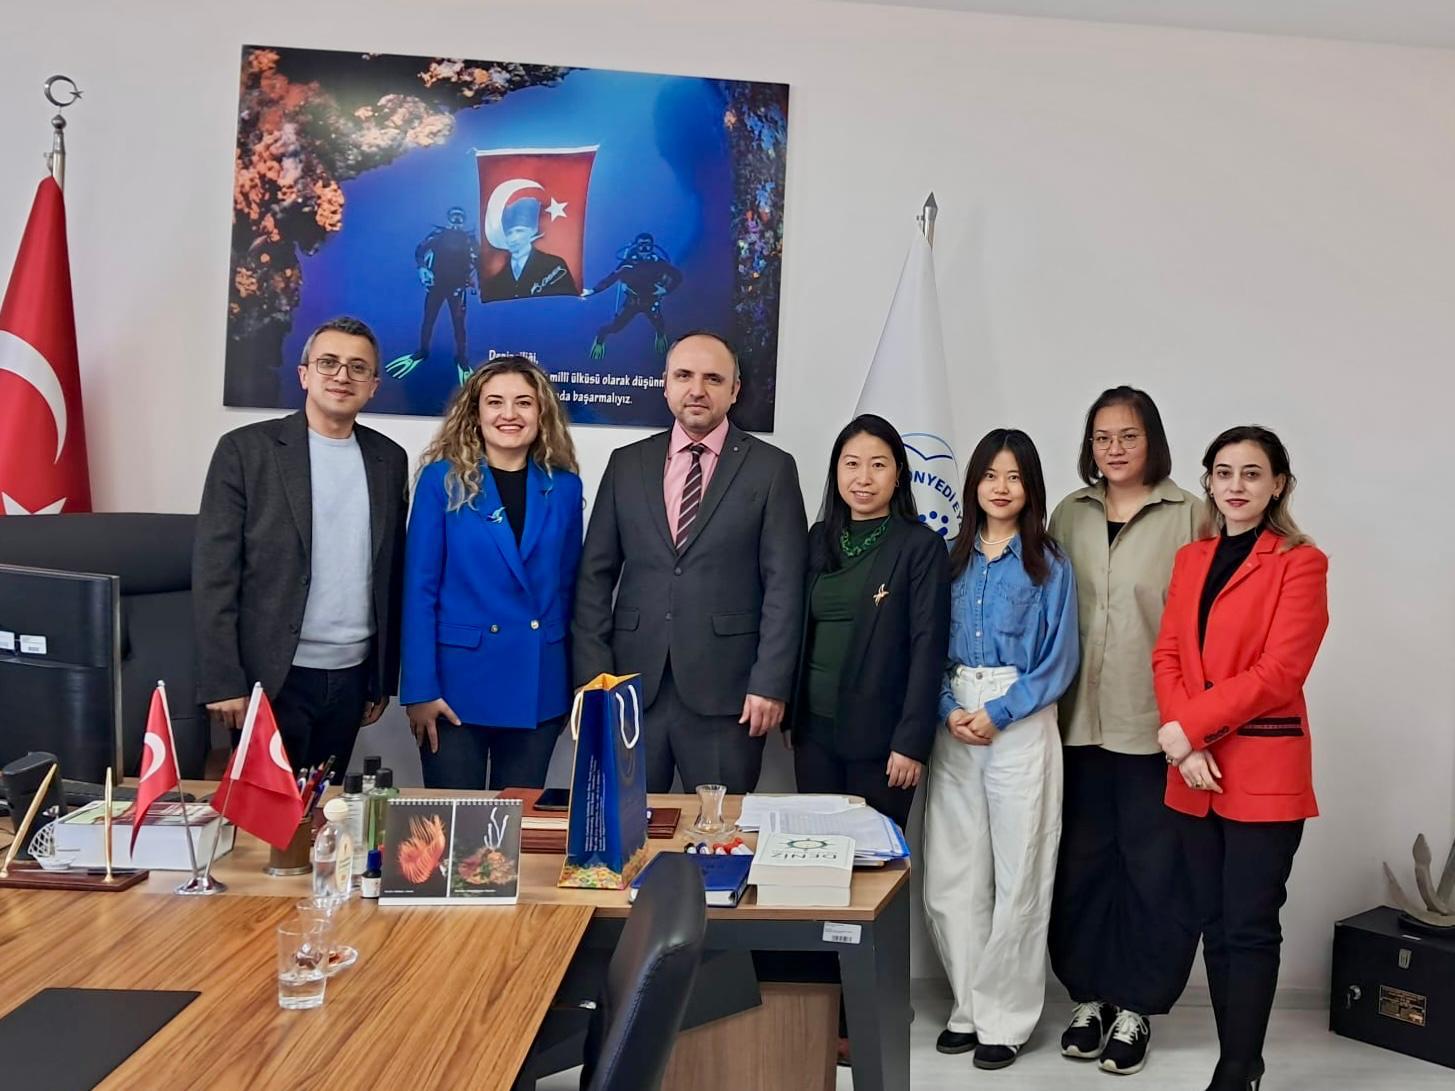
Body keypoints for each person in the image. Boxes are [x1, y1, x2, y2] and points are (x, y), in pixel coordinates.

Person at [1153, 426, 1328, 1091]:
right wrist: (1188, 741)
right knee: (1213, 924)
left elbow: (1280, 671)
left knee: (1249, 924)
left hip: (1261, 769)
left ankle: (1235, 1069)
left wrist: (1190, 728)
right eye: (1223, 472)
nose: (1235, 485)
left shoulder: (1300, 562)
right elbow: (1167, 655)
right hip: (1192, 768)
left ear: (1278, 484)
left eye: (1251, 473)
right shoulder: (1191, 558)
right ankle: (1241, 1058)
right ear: (1208, 481)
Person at [1045, 386, 1204, 1075]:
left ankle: (1137, 1005)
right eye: (1102, 437)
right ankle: (1089, 997)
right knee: (1080, 865)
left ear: (1152, 441)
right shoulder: (1067, 513)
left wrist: (1194, 722)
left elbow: (1206, 625)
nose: (1113, 449)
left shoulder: (1190, 515)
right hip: (1074, 722)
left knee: (1152, 869)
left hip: (1155, 727)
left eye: (1128, 436)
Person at [573, 331, 806, 794]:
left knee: (721, 831)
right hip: (629, 691)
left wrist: (770, 683)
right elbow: (594, 577)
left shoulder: (772, 469)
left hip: (730, 696)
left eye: (713, 379)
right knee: (629, 828)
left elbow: (785, 586)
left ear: (735, 390)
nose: (697, 389)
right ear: (665, 385)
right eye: (684, 376)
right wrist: (595, 677)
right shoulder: (627, 464)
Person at [923, 428, 1079, 1072]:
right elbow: (926, 645)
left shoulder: (1051, 563)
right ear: (974, 484)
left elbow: (1059, 658)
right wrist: (947, 707)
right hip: (955, 716)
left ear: (1030, 487)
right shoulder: (947, 559)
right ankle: (968, 1005)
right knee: (953, 873)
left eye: (1014, 476)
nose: (1001, 487)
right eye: (990, 475)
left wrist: (1001, 711)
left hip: (1021, 717)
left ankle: (1006, 1019)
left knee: (1021, 872)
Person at [193, 316, 408, 773]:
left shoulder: (389, 459)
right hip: (269, 677)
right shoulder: (245, 451)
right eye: (328, 362)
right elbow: (215, 573)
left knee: (328, 808)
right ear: (304, 374)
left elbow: (392, 574)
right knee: (263, 810)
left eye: (357, 367)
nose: (342, 376)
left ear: (373, 386)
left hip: (352, 676)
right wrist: (222, 679)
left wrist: (382, 678)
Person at [400, 357, 583, 790]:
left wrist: (568, 686)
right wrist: (420, 690)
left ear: (541, 413)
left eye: (524, 403)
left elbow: (569, 591)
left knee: (516, 824)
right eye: (495, 402)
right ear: (475, 412)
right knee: (450, 825)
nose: (509, 414)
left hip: (537, 686)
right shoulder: (441, 481)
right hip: (452, 690)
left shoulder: (564, 486)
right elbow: (419, 590)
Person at [789, 413, 949, 829]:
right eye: (851, 464)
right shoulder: (818, 538)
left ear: (899, 475)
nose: (863, 477)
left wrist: (911, 742)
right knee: (817, 849)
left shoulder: (920, 546)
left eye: (878, 464)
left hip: (883, 742)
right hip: (813, 734)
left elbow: (928, 648)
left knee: (875, 859)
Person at [386, 206, 480, 384]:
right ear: (448, 218)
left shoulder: (469, 240)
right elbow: (419, 252)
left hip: (457, 288)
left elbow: (480, 260)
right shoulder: (439, 235)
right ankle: (423, 351)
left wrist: (476, 279)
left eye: (460, 217)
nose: (456, 220)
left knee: (459, 325)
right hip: (437, 285)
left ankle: (461, 359)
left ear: (464, 220)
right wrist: (422, 269)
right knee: (429, 319)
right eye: (454, 216)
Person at [480, 197, 578, 301]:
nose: (513, 238)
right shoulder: (496, 281)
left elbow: (569, 302)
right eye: (509, 233)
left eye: (519, 231)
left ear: (533, 231)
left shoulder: (555, 266)